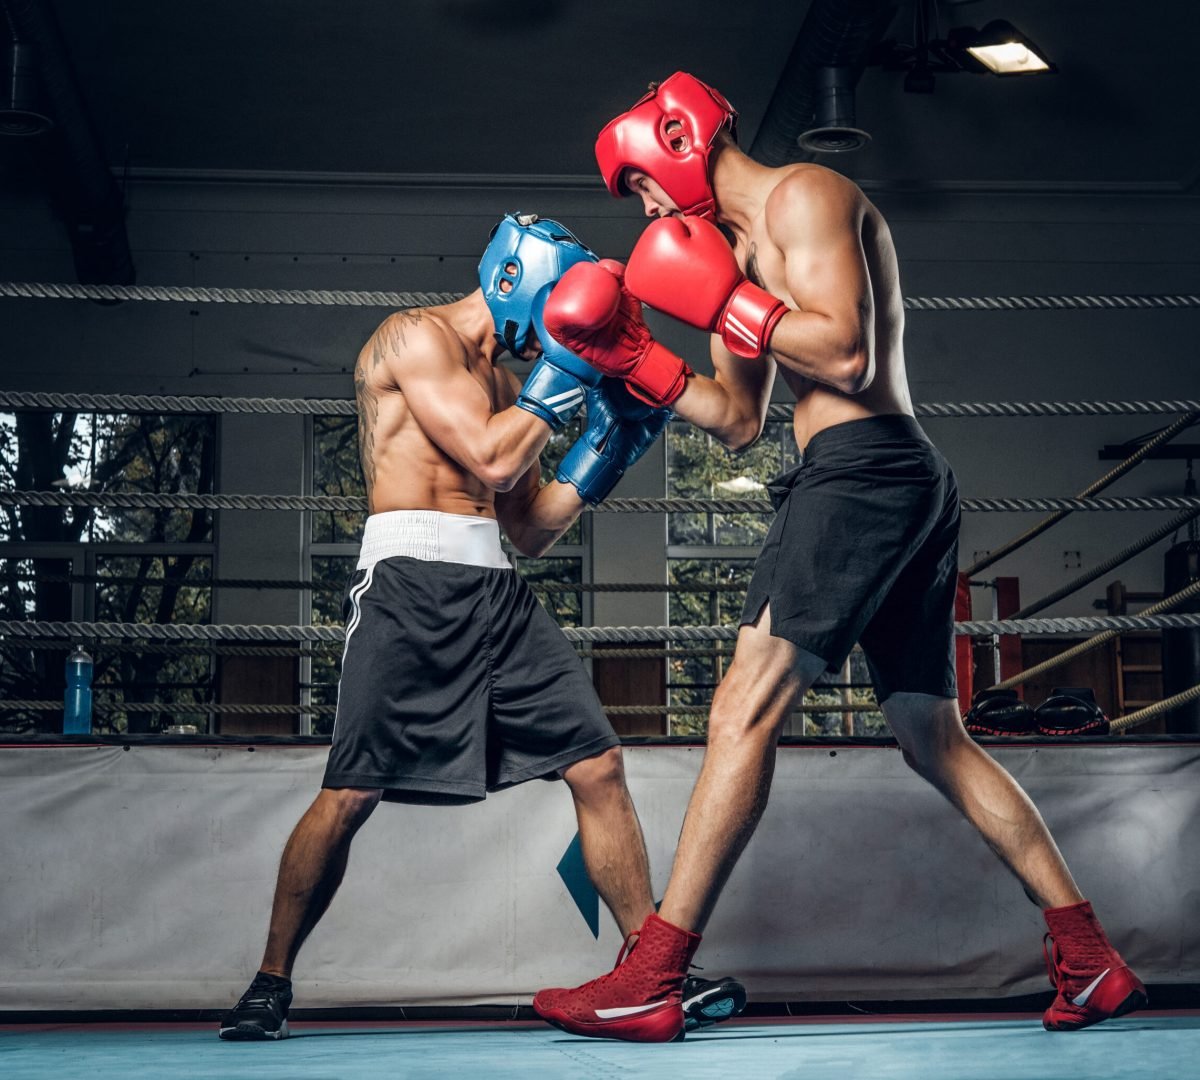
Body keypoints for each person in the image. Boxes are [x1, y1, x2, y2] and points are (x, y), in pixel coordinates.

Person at [531, 72, 1147, 1042]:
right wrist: (632, 360)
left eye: (639, 184)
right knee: (931, 736)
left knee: (742, 704)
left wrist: (725, 298)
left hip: (866, 470)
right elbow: (737, 421)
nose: (643, 208)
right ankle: (1087, 954)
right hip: (885, 476)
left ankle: (651, 974)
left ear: (679, 137)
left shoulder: (805, 196)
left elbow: (847, 355)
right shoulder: (730, 251)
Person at [218, 211, 743, 1040]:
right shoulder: (411, 340)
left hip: (493, 588)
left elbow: (529, 525)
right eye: (556, 321)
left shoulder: (508, 387)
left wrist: (603, 455)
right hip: (407, 581)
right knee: (352, 791)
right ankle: (270, 979)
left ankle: (649, 966)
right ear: (519, 284)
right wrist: (568, 370)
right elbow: (494, 458)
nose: (551, 343)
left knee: (598, 764)